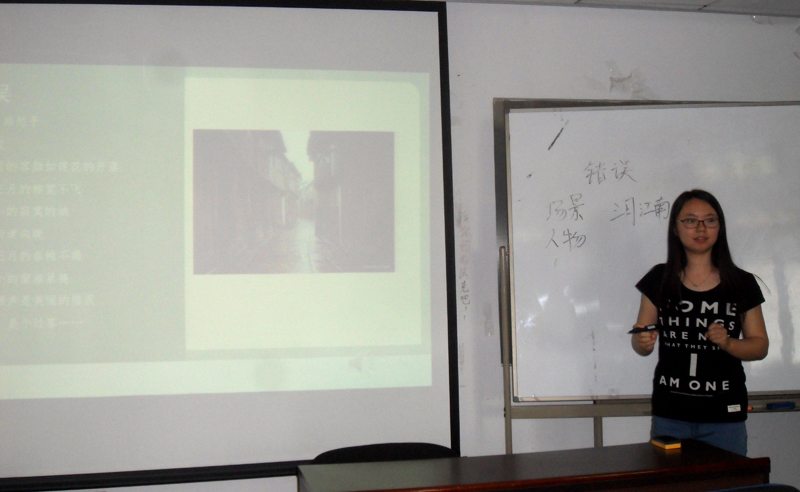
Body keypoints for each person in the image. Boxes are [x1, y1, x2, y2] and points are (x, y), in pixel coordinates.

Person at [631, 189, 768, 456]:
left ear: (720, 227)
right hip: (671, 414)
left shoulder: (742, 282)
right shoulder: (659, 278)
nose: (701, 228)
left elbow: (760, 346)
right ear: (675, 229)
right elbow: (641, 339)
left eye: (710, 220)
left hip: (724, 416)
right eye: (690, 220)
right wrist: (642, 341)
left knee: (726, 479)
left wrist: (728, 343)